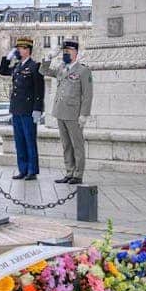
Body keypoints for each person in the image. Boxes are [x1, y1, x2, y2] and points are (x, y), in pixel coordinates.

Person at [41, 39, 93, 185]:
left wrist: (84, 114)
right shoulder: (61, 68)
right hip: (60, 112)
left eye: (68, 52)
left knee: (77, 145)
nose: (65, 54)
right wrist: (49, 57)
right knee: (66, 145)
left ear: (75, 53)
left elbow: (88, 95)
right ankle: (69, 172)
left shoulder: (83, 71)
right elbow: (43, 71)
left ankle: (78, 174)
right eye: (64, 52)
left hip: (74, 114)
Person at [0, 37, 45, 180]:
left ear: (27, 50)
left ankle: (32, 170)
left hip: (28, 110)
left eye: (20, 49)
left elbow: (39, 90)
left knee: (29, 141)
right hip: (16, 109)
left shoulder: (35, 66)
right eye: (17, 49)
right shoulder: (17, 66)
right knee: (19, 141)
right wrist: (8, 57)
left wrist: (38, 109)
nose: (18, 51)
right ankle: (23, 169)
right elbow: (2, 71)